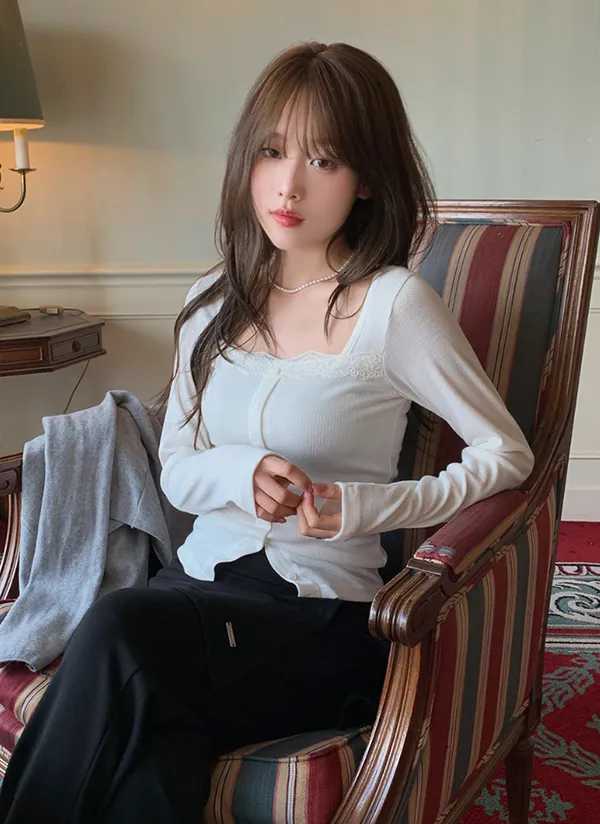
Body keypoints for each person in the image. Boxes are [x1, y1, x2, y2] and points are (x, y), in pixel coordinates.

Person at [0, 41, 534, 824]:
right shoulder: (213, 301)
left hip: (321, 616)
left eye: (324, 160)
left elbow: (507, 454)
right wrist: (239, 472)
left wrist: (365, 505)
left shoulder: (393, 306)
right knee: (154, 746)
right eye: (272, 151)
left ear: (365, 179)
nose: (289, 185)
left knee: (117, 627)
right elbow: (178, 466)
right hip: (200, 590)